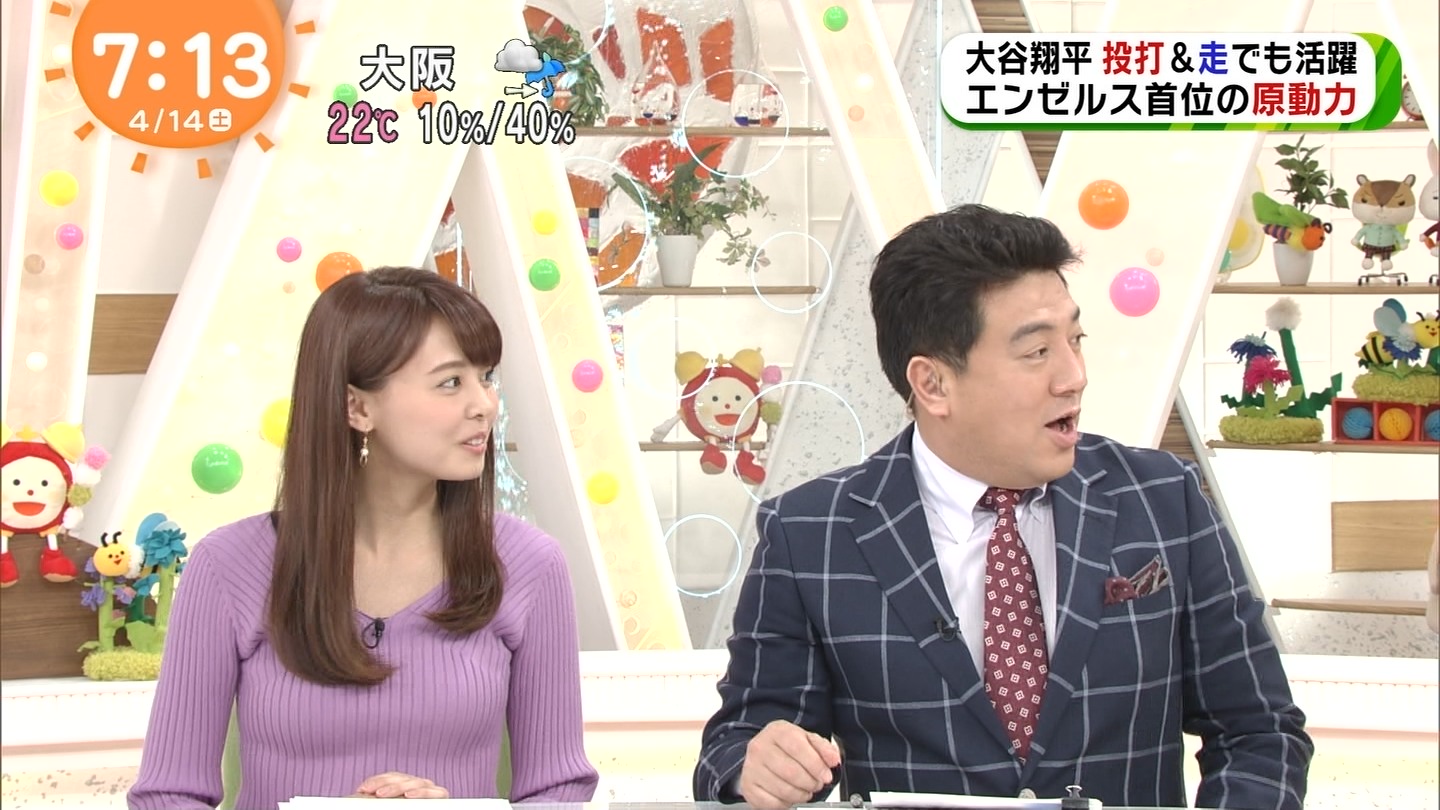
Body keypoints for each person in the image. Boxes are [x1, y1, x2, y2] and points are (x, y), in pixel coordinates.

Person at [693, 205, 1312, 809]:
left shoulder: (1163, 500)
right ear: (933, 384)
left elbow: (1259, 731)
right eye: (1037, 352)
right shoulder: (809, 534)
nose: (1073, 376)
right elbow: (736, 742)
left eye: (1075, 340)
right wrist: (755, 767)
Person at [130, 267, 598, 808]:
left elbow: (558, 791)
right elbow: (168, 795)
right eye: (451, 382)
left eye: (485, 376)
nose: (485, 404)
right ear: (357, 407)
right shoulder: (228, 565)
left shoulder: (530, 564)